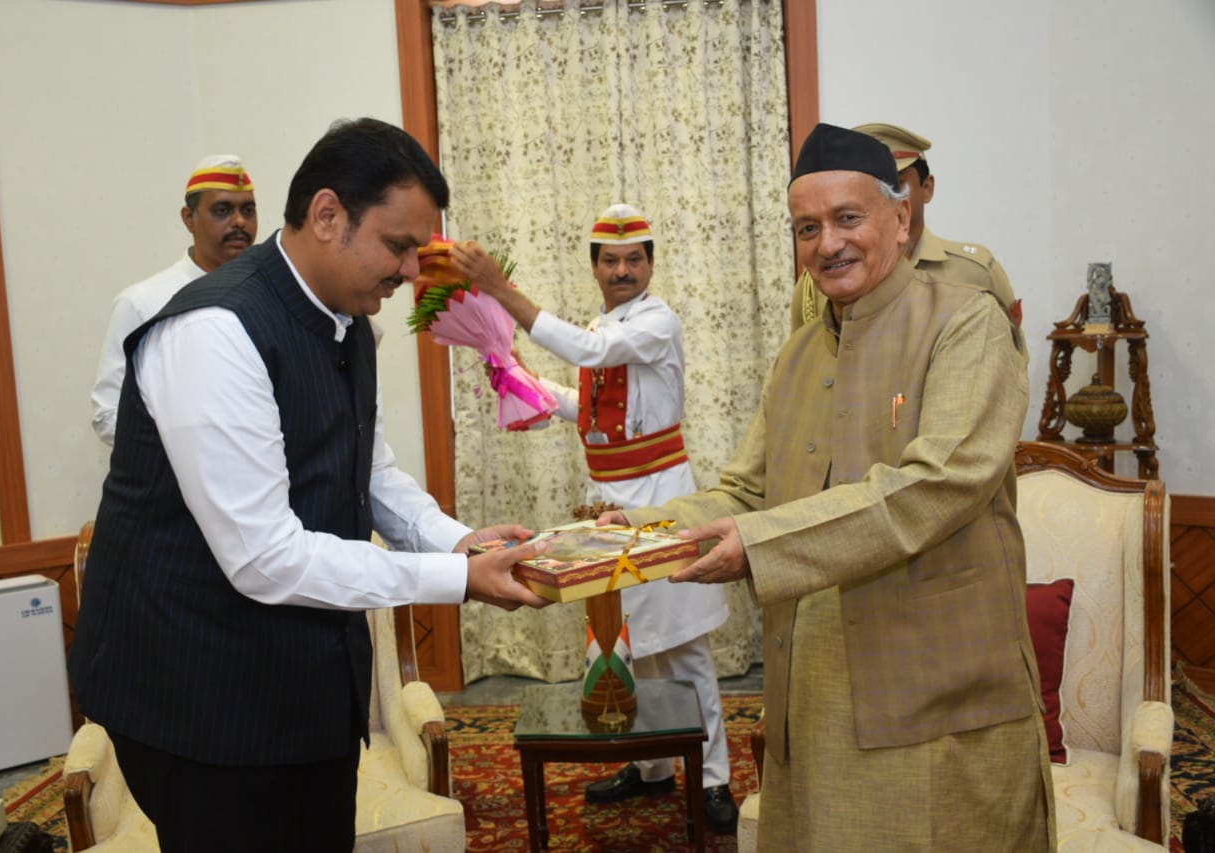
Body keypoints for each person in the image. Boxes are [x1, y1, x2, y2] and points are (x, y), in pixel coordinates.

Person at [68, 118, 550, 853]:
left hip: (307, 690)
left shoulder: (349, 317)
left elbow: (372, 470)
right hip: (199, 699)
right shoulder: (213, 330)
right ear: (327, 215)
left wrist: (458, 538)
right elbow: (263, 554)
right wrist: (456, 576)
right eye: (398, 246)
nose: (413, 273)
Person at [607, 124, 1054, 849]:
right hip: (812, 689)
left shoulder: (966, 324)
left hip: (936, 701)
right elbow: (747, 493)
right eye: (807, 228)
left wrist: (756, 544)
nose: (828, 243)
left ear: (901, 218)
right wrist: (631, 528)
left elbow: (936, 485)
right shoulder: (798, 354)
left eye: (849, 218)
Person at [452, 204, 738, 834]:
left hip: (663, 503)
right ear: (595, 268)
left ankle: (714, 779)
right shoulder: (602, 323)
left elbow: (592, 349)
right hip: (606, 511)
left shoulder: (658, 321)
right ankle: (654, 768)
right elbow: (590, 406)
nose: (622, 269)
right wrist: (522, 380)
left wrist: (502, 291)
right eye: (610, 260)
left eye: (635, 258)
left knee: (684, 649)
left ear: (652, 264)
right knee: (624, 643)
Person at [90, 154, 258, 445]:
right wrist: (194, 444)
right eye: (222, 210)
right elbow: (108, 414)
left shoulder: (268, 299)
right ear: (188, 218)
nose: (240, 222)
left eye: (248, 210)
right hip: (172, 484)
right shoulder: (143, 304)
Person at [789, 122, 1021, 332]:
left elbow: (1007, 364)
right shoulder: (823, 278)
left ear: (927, 188)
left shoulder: (974, 271)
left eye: (895, 183)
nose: (888, 195)